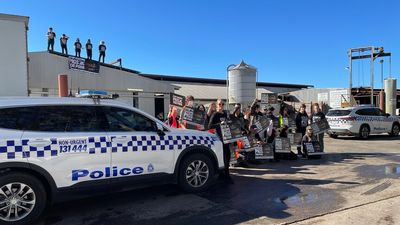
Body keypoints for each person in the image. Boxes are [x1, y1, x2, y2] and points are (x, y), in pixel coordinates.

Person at [208, 99, 233, 183]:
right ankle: (225, 175)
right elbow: (210, 126)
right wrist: (219, 124)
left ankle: (225, 173)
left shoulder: (225, 114)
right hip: (219, 138)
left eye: (222, 104)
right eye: (219, 104)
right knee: (223, 157)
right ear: (217, 105)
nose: (221, 105)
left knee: (228, 156)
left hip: (226, 137)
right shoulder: (215, 114)